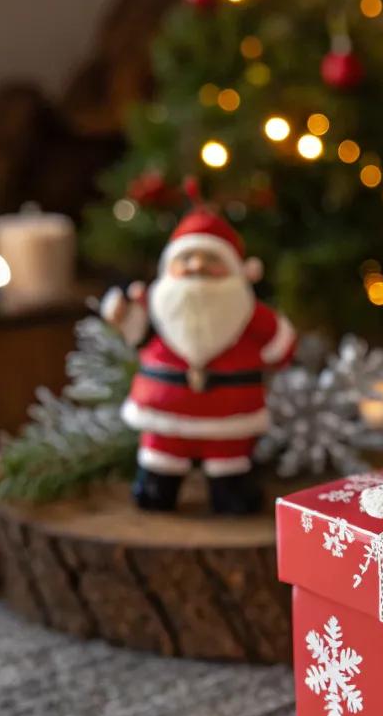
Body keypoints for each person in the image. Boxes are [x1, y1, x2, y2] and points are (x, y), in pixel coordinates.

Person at [101, 203, 296, 513]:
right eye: (186, 258)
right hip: (162, 414)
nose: (197, 265)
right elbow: (135, 332)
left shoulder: (246, 309)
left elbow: (279, 347)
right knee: (160, 460)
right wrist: (122, 313)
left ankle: (230, 491)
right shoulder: (154, 304)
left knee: (229, 464)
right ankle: (156, 487)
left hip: (231, 419)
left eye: (212, 258)